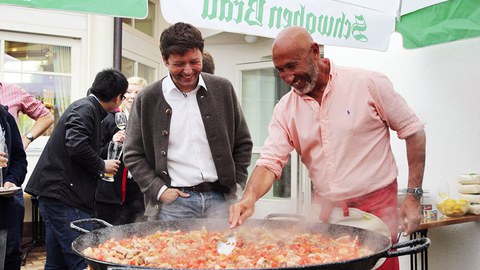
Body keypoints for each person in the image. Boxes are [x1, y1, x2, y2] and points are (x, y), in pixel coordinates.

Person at [228, 26, 426, 270]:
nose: (288, 78)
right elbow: (269, 162)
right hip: (327, 212)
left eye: (292, 66)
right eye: (280, 70)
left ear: (314, 52)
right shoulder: (285, 109)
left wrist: (413, 196)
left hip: (377, 208)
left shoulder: (368, 83)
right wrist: (249, 198)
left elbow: (413, 132)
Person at [123, 22, 252, 221]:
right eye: (179, 64)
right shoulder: (148, 98)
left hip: (221, 199)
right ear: (165, 60)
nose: (188, 70)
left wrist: (237, 184)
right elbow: (132, 153)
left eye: (194, 61)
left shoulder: (222, 89)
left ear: (202, 54)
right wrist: (158, 190)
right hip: (174, 203)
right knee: (175, 253)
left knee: (224, 252)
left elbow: (242, 143)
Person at [25, 68, 127, 270]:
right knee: (84, 259)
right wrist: (102, 165)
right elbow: (76, 145)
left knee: (57, 263)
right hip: (64, 198)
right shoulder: (85, 109)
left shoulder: (89, 108)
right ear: (118, 98)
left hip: (57, 196)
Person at [0, 81, 54, 268]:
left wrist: (25, 139)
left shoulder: (6, 110)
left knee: (11, 251)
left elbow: (46, 117)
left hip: (7, 192)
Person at [95, 76, 148, 225]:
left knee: (136, 232)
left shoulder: (147, 121)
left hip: (138, 187)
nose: (132, 96)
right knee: (109, 232)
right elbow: (95, 152)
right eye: (129, 92)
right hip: (112, 190)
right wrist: (113, 143)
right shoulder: (110, 119)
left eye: (137, 92)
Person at [0, 104, 28, 270]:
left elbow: (18, 159)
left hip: (4, 211)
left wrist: (12, 180)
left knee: (9, 258)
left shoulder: (5, 117)